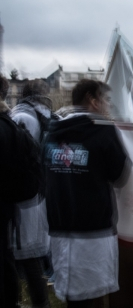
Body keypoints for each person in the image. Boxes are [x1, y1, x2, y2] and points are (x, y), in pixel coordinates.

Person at [44, 79, 128, 307]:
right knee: (93, 298)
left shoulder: (53, 131)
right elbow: (120, 174)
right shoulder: (102, 131)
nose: (108, 106)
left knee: (74, 298)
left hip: (60, 227)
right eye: (106, 100)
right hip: (93, 232)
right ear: (93, 101)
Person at [10, 80, 54, 308]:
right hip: (36, 194)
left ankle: (37, 303)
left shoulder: (22, 118)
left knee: (25, 254)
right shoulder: (41, 117)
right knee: (30, 253)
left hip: (23, 197)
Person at [1, 74, 42, 307]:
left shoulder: (15, 121)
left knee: (18, 256)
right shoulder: (16, 122)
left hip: (12, 202)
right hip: (15, 202)